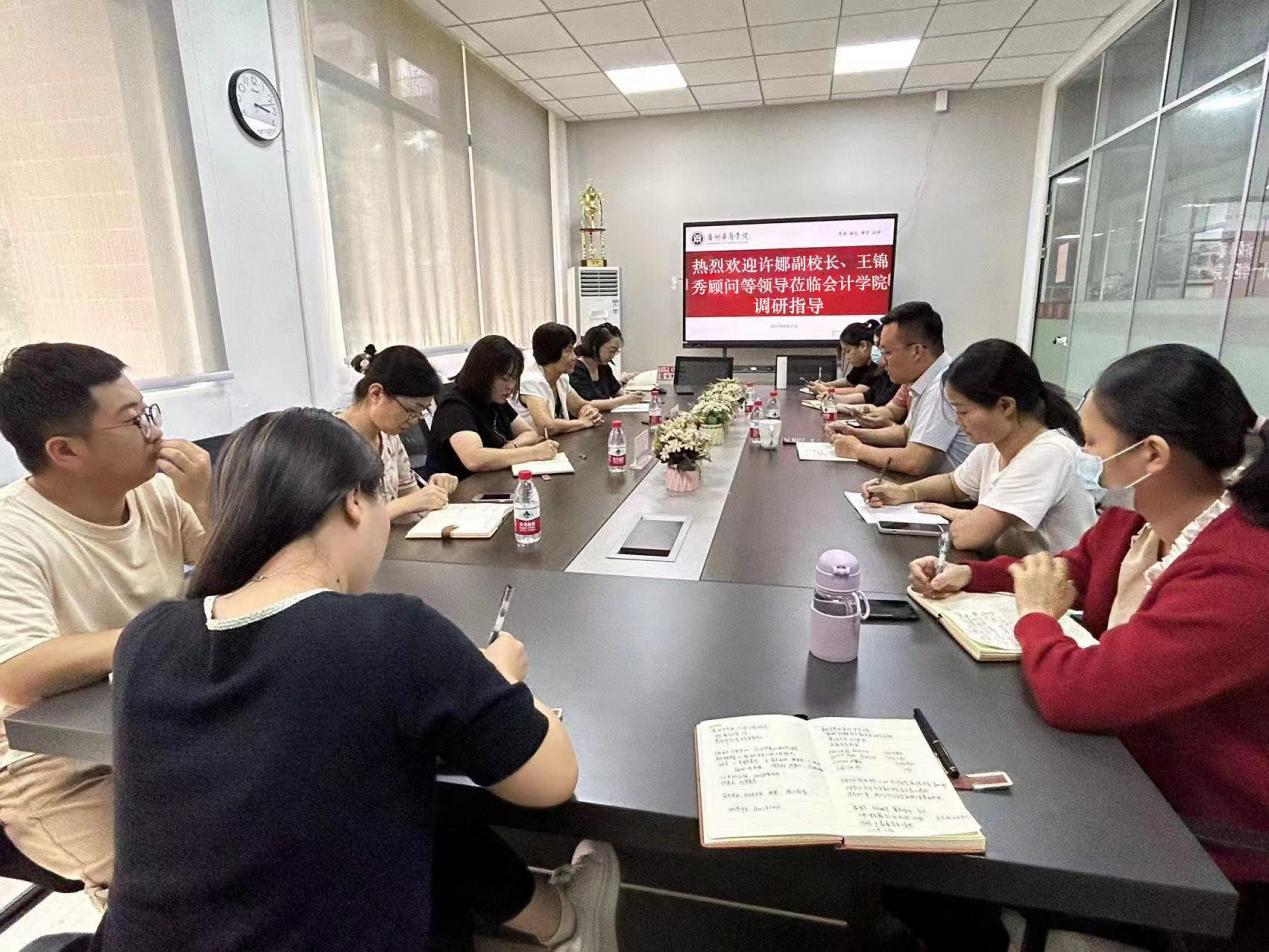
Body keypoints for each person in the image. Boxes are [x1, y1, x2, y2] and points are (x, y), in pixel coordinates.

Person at [99, 407, 621, 951]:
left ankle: (555, 918)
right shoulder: (393, 631)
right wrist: (500, 680)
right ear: (354, 501)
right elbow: (551, 781)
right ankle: (560, 920)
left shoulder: (146, 637)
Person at [910, 344, 1268, 951]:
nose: (1084, 458)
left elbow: (1079, 694)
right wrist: (976, 574)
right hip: (1123, 766)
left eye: (1095, 445)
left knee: (935, 857)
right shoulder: (1138, 523)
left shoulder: (1241, 572)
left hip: (1202, 837)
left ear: (1152, 454)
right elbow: (1069, 568)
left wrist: (1035, 619)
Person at [0, 343, 211, 908]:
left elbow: (241, 582)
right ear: (65, 450)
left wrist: (206, 502)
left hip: (159, 724)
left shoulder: (157, 493)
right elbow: (18, 673)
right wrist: (160, 632)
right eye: (133, 419)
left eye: (148, 411)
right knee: (175, 885)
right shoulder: (12, 533)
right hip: (49, 761)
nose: (153, 431)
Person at [864, 339, 1096, 556]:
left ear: (1005, 406)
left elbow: (968, 537)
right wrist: (904, 492)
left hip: (1051, 582)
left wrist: (959, 515)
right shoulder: (996, 444)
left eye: (963, 411)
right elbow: (954, 484)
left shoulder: (1048, 453)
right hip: (1010, 570)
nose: (958, 421)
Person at [829, 301, 972, 475]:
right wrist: (854, 433)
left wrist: (857, 449)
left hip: (950, 491)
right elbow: (905, 433)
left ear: (916, 351)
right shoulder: (925, 378)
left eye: (887, 352)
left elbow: (915, 462)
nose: (882, 361)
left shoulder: (942, 385)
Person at [338, 344, 458, 523]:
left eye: (422, 412)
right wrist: (405, 504)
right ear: (376, 394)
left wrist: (432, 492)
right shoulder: (331, 442)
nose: (415, 420)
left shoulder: (389, 437)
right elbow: (339, 526)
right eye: (412, 410)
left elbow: (410, 497)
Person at [427, 335, 558, 482]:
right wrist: (533, 453)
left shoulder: (495, 401)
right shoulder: (455, 407)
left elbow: (529, 433)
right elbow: (474, 459)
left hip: (493, 482)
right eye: (504, 379)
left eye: (514, 378)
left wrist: (512, 446)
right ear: (482, 375)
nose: (511, 386)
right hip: (460, 489)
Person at [520, 323, 602, 436]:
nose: (574, 357)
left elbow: (580, 406)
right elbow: (546, 427)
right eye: (569, 351)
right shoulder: (531, 381)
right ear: (551, 352)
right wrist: (582, 422)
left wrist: (589, 412)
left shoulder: (561, 377)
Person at [809, 320, 898, 407]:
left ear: (863, 346)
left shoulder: (878, 365)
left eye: (848, 351)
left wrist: (828, 390)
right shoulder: (863, 363)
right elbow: (862, 392)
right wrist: (826, 386)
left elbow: (861, 392)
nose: (846, 357)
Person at [570, 323, 642, 412]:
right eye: (612, 351)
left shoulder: (604, 367)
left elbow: (617, 392)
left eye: (616, 352)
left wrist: (635, 396)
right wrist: (624, 400)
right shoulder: (575, 369)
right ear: (595, 346)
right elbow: (586, 404)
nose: (613, 356)